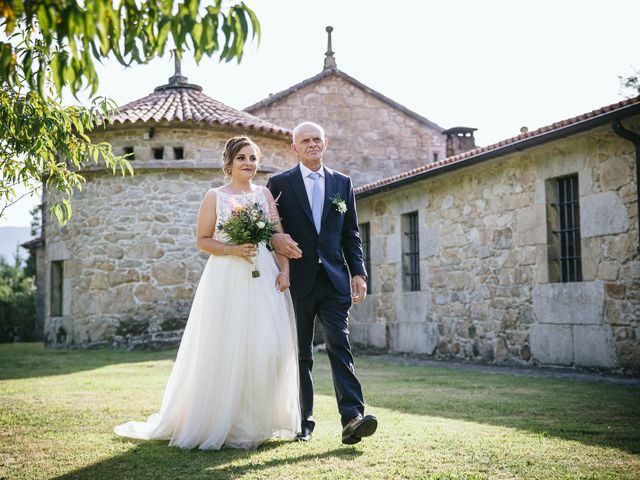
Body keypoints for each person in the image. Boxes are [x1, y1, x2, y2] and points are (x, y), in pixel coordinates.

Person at [113, 136, 300, 450]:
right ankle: (227, 424)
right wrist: (231, 249)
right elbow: (202, 240)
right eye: (242, 158)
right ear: (229, 163)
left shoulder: (264, 195)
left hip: (263, 276)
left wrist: (284, 272)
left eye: (253, 158)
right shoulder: (215, 196)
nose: (249, 164)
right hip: (226, 276)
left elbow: (278, 238)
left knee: (267, 348)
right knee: (226, 347)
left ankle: (258, 420)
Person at [267, 121, 377, 445]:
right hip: (297, 281)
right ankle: (303, 422)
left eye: (317, 139)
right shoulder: (279, 183)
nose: (312, 144)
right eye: (305, 140)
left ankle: (353, 418)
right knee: (301, 353)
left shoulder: (343, 183)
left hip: (334, 280)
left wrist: (359, 273)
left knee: (339, 344)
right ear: (294, 148)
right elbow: (268, 228)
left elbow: (351, 233)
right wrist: (276, 240)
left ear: (325, 143)